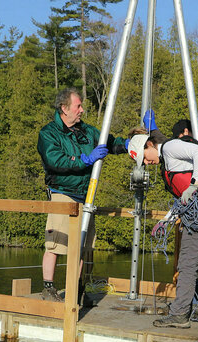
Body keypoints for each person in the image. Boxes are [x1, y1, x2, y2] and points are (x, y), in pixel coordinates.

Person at [129, 112, 198, 327]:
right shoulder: (168, 160)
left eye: (145, 156)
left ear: (150, 144)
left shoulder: (169, 147)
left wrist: (194, 184)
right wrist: (166, 220)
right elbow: (182, 199)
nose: (146, 162)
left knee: (187, 260)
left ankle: (180, 314)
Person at [37, 87, 129, 302]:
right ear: (64, 108)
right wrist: (85, 159)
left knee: (82, 246)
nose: (82, 110)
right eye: (78, 106)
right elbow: (55, 161)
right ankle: (48, 288)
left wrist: (128, 145)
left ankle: (75, 289)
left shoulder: (87, 131)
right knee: (56, 243)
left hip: (85, 195)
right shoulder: (49, 133)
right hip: (62, 192)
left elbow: (110, 141)